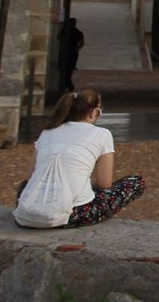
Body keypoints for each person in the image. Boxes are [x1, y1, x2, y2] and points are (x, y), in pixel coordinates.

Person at [13, 89, 145, 229]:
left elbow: (32, 176)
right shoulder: (102, 134)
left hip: (27, 212)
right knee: (136, 182)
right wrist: (83, 179)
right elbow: (104, 183)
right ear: (94, 112)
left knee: (25, 185)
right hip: (72, 214)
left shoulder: (47, 132)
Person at [57, 16, 85, 91]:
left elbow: (59, 39)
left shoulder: (64, 31)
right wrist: (77, 49)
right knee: (69, 70)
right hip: (72, 53)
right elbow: (82, 43)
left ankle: (67, 85)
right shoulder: (78, 32)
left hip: (65, 52)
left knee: (63, 69)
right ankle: (68, 85)